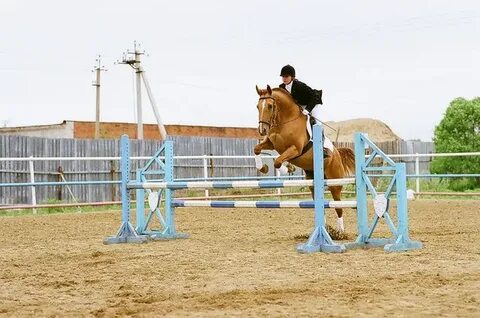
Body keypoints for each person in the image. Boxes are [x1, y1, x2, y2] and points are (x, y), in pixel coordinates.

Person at [279, 64, 333, 156]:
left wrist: (308, 109)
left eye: (286, 76)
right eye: (283, 76)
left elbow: (313, 96)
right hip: (299, 106)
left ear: (292, 77)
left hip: (312, 103)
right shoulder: (282, 87)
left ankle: (322, 146)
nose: (284, 78)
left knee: (316, 123)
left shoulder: (300, 86)